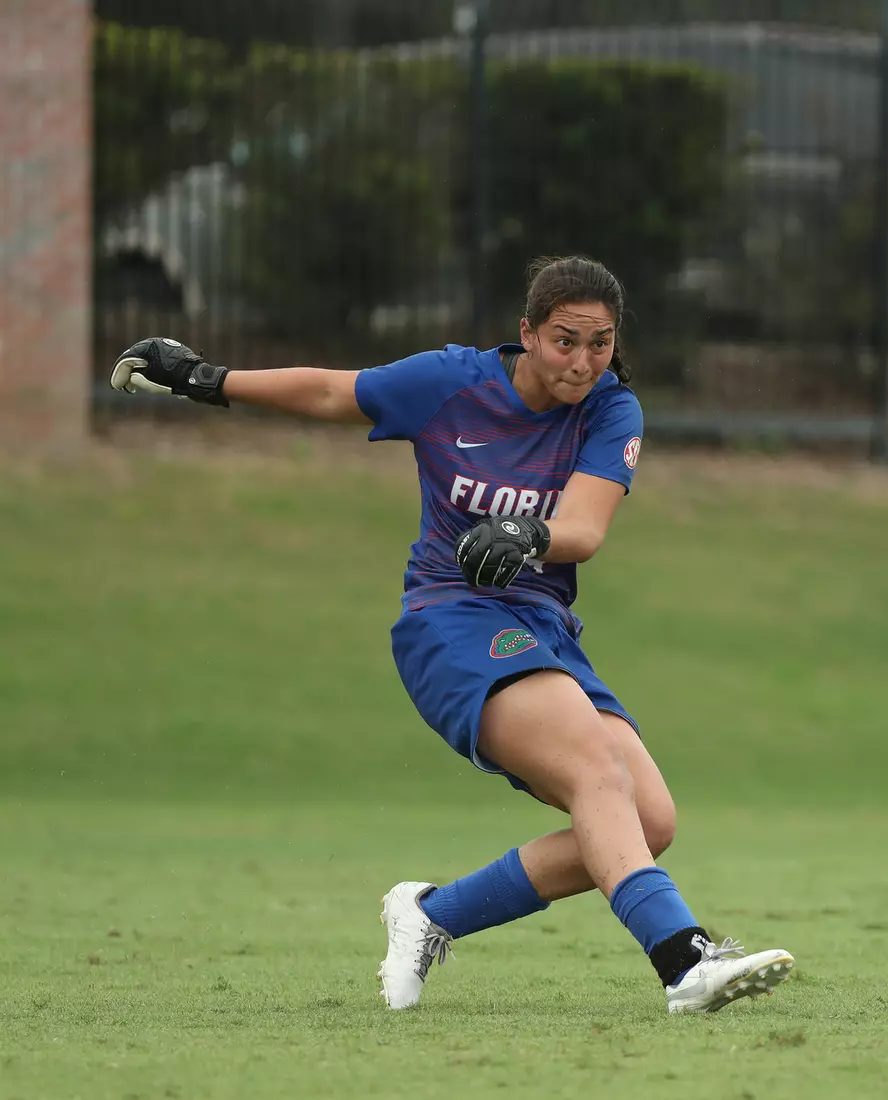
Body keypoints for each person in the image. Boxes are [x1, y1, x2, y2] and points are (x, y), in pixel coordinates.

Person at [110, 255, 794, 1013]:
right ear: (527, 333)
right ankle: (683, 961)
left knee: (651, 821)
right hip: (449, 618)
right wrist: (209, 379)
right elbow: (336, 390)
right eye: (565, 340)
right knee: (598, 770)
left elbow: (585, 528)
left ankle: (434, 914)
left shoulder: (610, 410)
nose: (582, 360)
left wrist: (529, 533)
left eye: (600, 343)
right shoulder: (451, 383)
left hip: (541, 627)